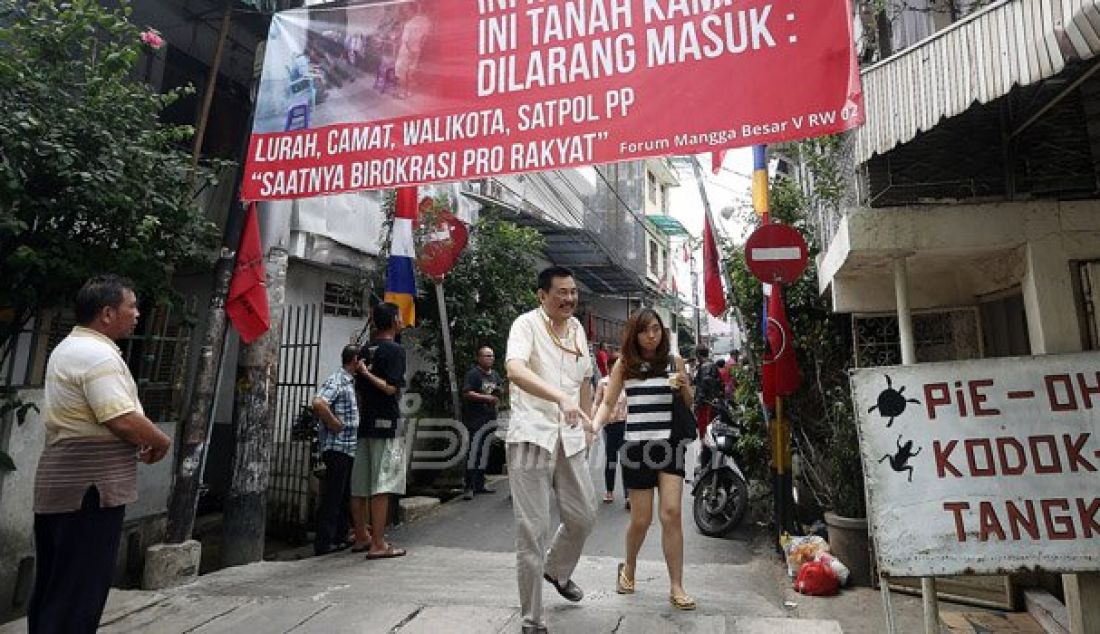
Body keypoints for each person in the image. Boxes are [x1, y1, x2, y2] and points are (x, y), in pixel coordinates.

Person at [29, 275, 173, 633]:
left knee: (58, 587)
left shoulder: (72, 347)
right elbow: (121, 419)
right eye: (132, 306)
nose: (138, 314)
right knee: (78, 593)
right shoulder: (96, 355)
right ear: (107, 313)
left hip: (69, 487)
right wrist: (161, 441)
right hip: (88, 491)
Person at [505, 266, 598, 634]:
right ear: (542, 295)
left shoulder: (577, 330)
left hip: (571, 438)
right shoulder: (525, 325)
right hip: (532, 435)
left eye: (573, 292)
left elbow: (586, 378)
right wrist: (559, 397)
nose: (569, 298)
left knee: (584, 516)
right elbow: (514, 369)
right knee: (533, 529)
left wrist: (589, 424)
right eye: (561, 292)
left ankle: (556, 570)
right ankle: (532, 618)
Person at [589, 308, 696, 611]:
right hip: (637, 448)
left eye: (657, 330)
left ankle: (676, 585)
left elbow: (689, 402)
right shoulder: (624, 365)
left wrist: (684, 384)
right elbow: (609, 402)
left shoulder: (674, 362)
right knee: (641, 519)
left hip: (670, 444)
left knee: (672, 513)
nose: (652, 335)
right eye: (645, 330)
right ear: (634, 334)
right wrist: (594, 428)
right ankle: (629, 568)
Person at [351, 302, 408, 559]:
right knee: (381, 485)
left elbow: (359, 389)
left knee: (361, 483)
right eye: (400, 316)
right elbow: (391, 388)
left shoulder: (364, 350)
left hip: (366, 422)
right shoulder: (395, 350)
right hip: (385, 422)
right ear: (394, 320)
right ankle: (378, 543)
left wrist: (364, 372)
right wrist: (370, 376)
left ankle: (361, 536)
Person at [311, 344, 360, 556]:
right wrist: (333, 423)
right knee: (333, 496)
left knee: (342, 495)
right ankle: (324, 542)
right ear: (355, 360)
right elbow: (319, 403)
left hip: (347, 447)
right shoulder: (338, 380)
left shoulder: (349, 382)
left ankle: (340, 536)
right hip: (337, 447)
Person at [461, 345, 503, 499]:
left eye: (491, 356)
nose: (490, 358)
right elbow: (467, 392)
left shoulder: (495, 375)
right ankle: (468, 486)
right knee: (474, 451)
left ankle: (480, 484)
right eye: (486, 356)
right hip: (475, 419)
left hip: (490, 418)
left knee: (485, 451)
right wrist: (486, 398)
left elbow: (499, 389)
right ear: (479, 358)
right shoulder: (473, 374)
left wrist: (500, 393)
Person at [591, 352, 627, 506]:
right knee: (611, 459)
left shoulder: (627, 382)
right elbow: (597, 403)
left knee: (626, 461)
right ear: (610, 366)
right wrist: (592, 422)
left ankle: (628, 496)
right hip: (610, 426)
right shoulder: (603, 383)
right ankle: (609, 491)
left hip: (625, 425)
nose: (618, 368)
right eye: (614, 365)